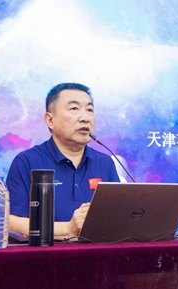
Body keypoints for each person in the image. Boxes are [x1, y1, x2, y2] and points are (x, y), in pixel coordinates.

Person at [7, 83, 120, 239]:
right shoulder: (27, 161)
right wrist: (68, 229)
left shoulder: (105, 163)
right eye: (74, 109)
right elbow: (11, 222)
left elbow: (119, 217)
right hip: (45, 252)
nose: (85, 118)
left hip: (97, 251)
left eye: (89, 110)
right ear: (50, 120)